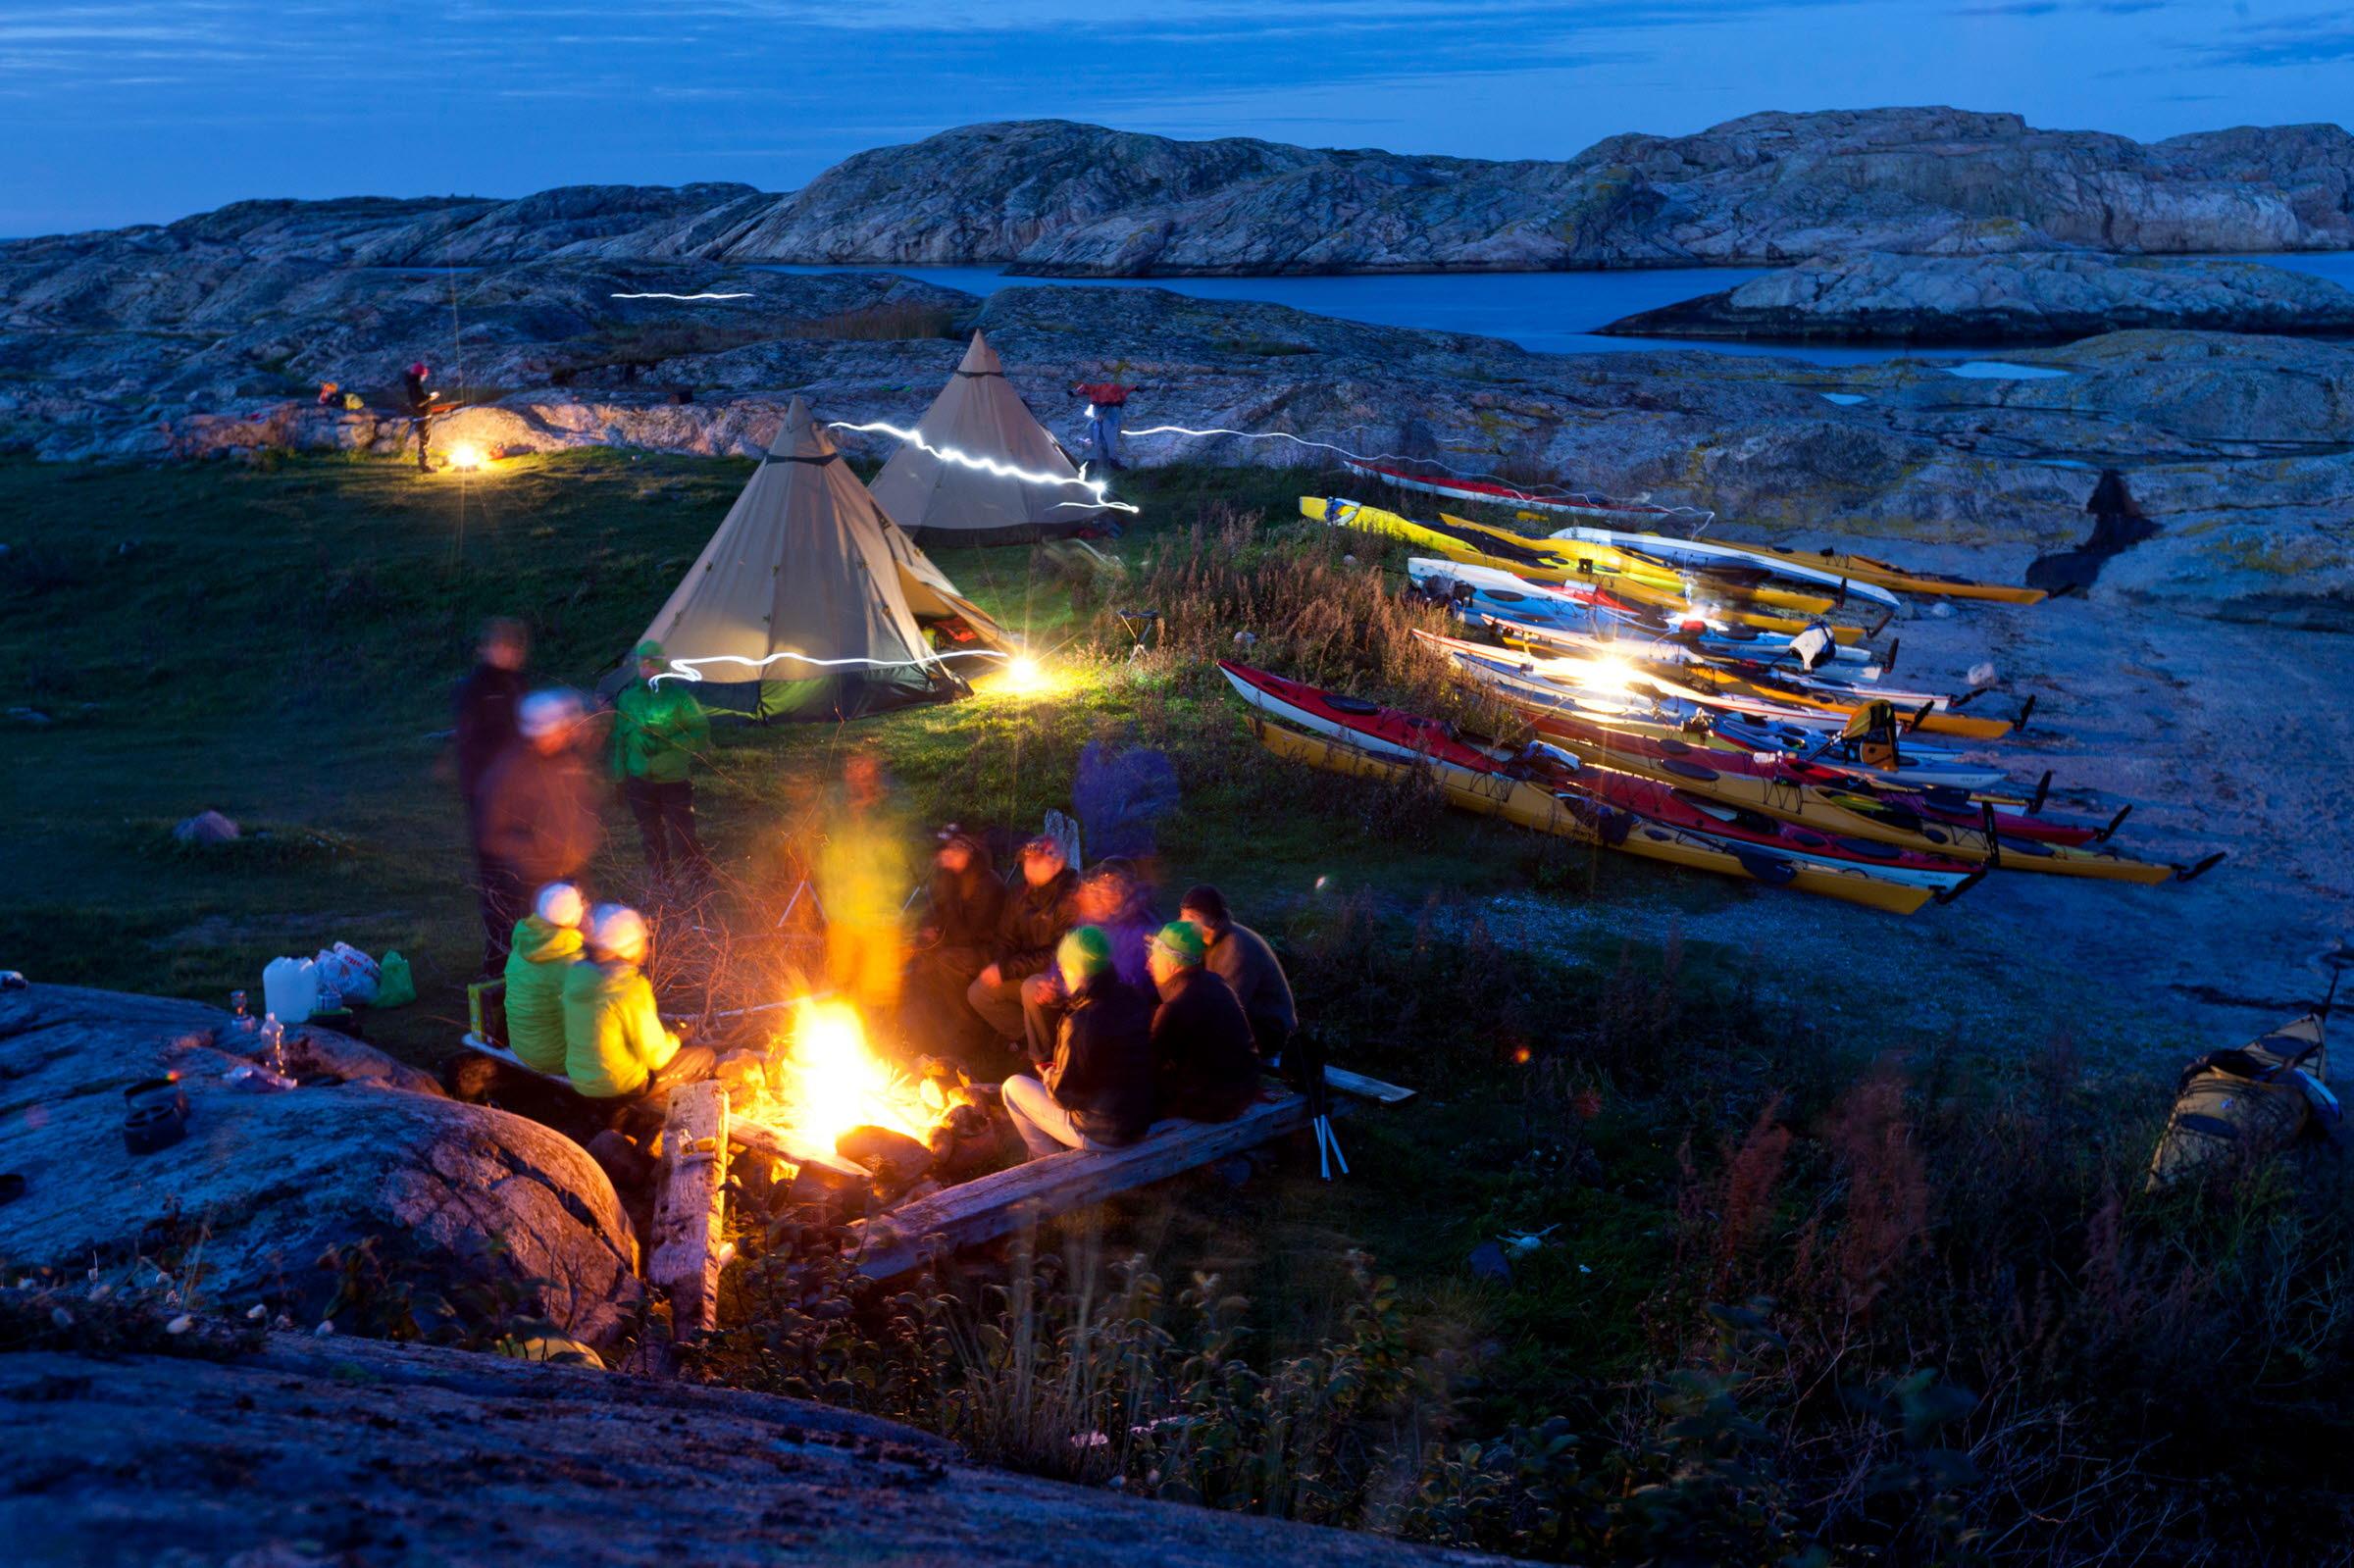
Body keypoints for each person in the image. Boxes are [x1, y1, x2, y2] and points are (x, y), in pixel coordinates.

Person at [475, 690, 604, 971]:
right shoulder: (508, 774)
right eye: (558, 730)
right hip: (531, 880)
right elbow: (490, 836)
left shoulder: (564, 760)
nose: (564, 735)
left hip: (570, 873)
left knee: (578, 948)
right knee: (535, 955)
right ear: (538, 732)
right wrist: (537, 851)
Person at [1000, 927, 1156, 1159]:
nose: (1060, 971)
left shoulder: (1080, 1023)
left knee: (1012, 1088)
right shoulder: (1131, 996)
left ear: (1075, 968)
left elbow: (1064, 1095)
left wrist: (1048, 1075)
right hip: (1140, 1118)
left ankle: (1049, 1160)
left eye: (1063, 966)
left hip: (1103, 1133)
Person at [1011, 856, 1158, 1063]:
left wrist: (1068, 990)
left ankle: (1073, 1061)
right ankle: (1044, 1060)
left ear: (1128, 889)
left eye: (1114, 885)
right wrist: (1054, 981)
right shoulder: (1091, 918)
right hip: (1079, 988)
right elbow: (1067, 952)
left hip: (1112, 1004)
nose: (1106, 891)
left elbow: (1128, 984)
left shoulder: (1141, 928)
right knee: (1032, 987)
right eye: (1103, 884)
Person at [562, 903, 715, 1101]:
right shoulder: (629, 988)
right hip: (619, 1086)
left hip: (580, 1077)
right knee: (704, 1057)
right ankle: (651, 1120)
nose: (647, 948)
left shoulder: (575, 975)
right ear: (628, 948)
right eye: (643, 942)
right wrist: (677, 1037)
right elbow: (656, 1056)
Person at [815, 750, 916, 1017]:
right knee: (840, 984)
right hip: (842, 911)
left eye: (866, 767)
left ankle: (881, 1050)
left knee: (877, 993)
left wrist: (872, 809)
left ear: (877, 770)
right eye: (853, 765)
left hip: (881, 914)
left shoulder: (894, 806)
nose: (859, 773)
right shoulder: (834, 802)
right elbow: (820, 843)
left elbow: (910, 859)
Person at [607, 638, 714, 893]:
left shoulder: (679, 699)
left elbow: (700, 733)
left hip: (673, 779)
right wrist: (619, 776)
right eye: (641, 663)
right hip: (639, 778)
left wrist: (668, 742)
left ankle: (698, 879)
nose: (646, 668)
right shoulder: (629, 699)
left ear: (662, 664)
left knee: (682, 834)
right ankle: (662, 880)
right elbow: (620, 737)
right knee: (650, 834)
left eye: (652, 663)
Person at [455, 619, 532, 968]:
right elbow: (470, 747)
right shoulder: (477, 689)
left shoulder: (518, 684)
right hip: (490, 800)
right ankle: (499, 955)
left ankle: (526, 948)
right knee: (496, 877)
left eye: (516, 647)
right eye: (505, 645)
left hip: (524, 798)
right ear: (489, 648)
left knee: (524, 873)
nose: (512, 652)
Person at [965, 836, 1077, 1058]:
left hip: (1059, 980)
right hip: (1023, 970)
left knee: (1031, 989)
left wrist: (1007, 969)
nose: (1030, 867)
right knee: (978, 992)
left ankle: (1044, 1057)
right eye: (1027, 861)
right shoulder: (1019, 894)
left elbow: (1061, 953)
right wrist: (999, 966)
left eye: (1037, 861)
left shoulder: (1070, 898)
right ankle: (1025, 1038)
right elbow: (1005, 938)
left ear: (1058, 863)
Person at [904, 828, 1005, 1059]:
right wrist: (927, 932)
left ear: (968, 850)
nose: (947, 855)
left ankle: (968, 1035)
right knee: (922, 960)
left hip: (988, 953)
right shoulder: (952, 877)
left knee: (947, 962)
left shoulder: (989, 884)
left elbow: (968, 934)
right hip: (958, 945)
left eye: (953, 849)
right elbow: (937, 913)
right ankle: (925, 1034)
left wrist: (947, 902)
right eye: (946, 850)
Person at [1147, 921, 1260, 1123]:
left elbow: (1148, 1065)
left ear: (1172, 965)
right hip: (1245, 1088)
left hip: (1214, 1105)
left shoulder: (1173, 1007)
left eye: (1154, 958)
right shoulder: (1217, 982)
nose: (1148, 965)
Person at [1179, 885, 1297, 1065]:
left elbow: (1229, 1006)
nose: (1184, 923)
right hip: (1245, 1019)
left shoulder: (1236, 947)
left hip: (1268, 1029)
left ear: (1212, 919)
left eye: (1192, 917)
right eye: (1183, 915)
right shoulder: (1205, 941)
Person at [503, 882, 585, 1074]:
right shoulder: (574, 962)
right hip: (557, 1058)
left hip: (521, 1046)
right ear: (574, 915)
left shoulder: (522, 948)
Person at [1069, 379, 1142, 472]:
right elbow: (1128, 389)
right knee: (1109, 437)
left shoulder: (1097, 388)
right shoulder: (1116, 389)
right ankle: (1109, 461)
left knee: (1095, 436)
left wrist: (1074, 392)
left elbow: (1083, 388)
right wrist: (1136, 387)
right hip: (1110, 410)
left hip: (1102, 410)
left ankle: (1093, 461)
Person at [402, 361, 434, 474]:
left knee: (424, 442)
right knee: (424, 442)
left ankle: (425, 463)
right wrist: (430, 396)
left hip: (421, 417)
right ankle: (425, 466)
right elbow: (419, 402)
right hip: (422, 418)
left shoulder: (413, 386)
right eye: (424, 375)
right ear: (420, 375)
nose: (425, 377)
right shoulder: (416, 386)